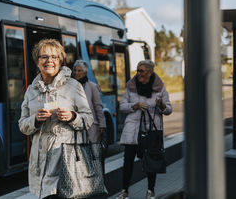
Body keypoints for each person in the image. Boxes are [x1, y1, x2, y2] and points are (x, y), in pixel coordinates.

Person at [19, 39, 93, 199]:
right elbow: (22, 125)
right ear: (37, 61)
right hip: (39, 164)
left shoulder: (73, 86)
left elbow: (88, 119)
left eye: (54, 57)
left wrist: (72, 116)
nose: (49, 61)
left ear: (60, 60)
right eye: (44, 57)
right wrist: (35, 120)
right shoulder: (31, 90)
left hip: (66, 162)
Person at [116, 60, 172, 199]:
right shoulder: (131, 86)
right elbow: (122, 106)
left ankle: (150, 191)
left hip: (151, 131)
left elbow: (169, 110)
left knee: (150, 162)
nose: (138, 73)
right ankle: (124, 191)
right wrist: (134, 106)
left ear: (150, 72)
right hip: (132, 131)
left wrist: (162, 106)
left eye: (141, 71)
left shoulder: (160, 87)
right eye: (137, 70)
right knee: (127, 162)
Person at [72, 60, 107, 158]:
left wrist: (102, 126)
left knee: (94, 156)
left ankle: (97, 173)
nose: (76, 73)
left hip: (91, 127)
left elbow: (98, 107)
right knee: (79, 157)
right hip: (75, 126)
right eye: (75, 70)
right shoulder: (70, 87)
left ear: (85, 72)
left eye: (79, 71)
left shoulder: (92, 86)